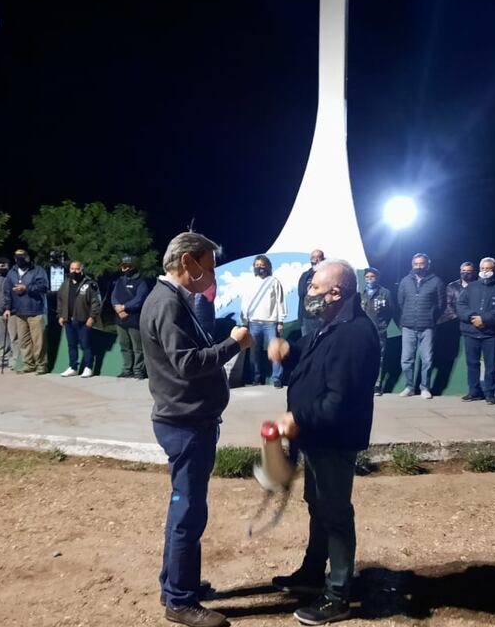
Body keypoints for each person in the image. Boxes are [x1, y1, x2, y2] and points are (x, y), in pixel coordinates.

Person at [139, 232, 252, 627]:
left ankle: (176, 584)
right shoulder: (167, 303)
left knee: (182, 510)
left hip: (188, 419)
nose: (211, 273)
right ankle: (180, 601)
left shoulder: (171, 301)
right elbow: (187, 363)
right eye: (208, 264)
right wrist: (233, 344)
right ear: (188, 262)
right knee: (188, 513)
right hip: (185, 423)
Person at [268, 259, 380, 625]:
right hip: (314, 439)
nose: (308, 294)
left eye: (314, 288)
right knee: (317, 505)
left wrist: (298, 418)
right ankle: (313, 573)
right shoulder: (329, 324)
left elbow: (340, 400)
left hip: (333, 440)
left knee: (335, 513)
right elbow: (315, 367)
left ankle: (338, 595)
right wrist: (289, 354)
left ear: (336, 292)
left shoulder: (354, 333)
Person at [456, 257, 495, 404]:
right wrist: (473, 318)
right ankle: (474, 392)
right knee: (472, 364)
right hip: (471, 331)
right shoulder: (470, 287)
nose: (485, 271)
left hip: (490, 334)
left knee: (490, 366)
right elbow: (461, 305)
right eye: (483, 269)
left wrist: (484, 320)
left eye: (489, 269)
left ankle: (490, 393)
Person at [396, 253, 445, 398]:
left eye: (421, 263)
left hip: (427, 326)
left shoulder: (437, 281)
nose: (419, 266)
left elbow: (441, 304)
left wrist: (431, 316)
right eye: (416, 264)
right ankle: (409, 386)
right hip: (408, 326)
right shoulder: (405, 281)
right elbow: (401, 302)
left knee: (427, 360)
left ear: (427, 264)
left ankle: (424, 388)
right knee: (406, 359)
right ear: (412, 265)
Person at [240, 254, 287, 388]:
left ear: (268, 266)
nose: (259, 267)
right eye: (257, 265)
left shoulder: (274, 282)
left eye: (262, 265)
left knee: (275, 351)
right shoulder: (249, 282)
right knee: (254, 354)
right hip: (254, 323)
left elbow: (280, 301)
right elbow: (245, 303)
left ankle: (276, 378)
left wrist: (280, 321)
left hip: (271, 323)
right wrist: (245, 321)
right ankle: (256, 378)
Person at [3, 249, 50, 375]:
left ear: (28, 257)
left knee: (38, 341)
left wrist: (27, 288)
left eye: (23, 257)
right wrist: (7, 308)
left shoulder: (38, 270)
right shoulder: (11, 273)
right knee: (24, 341)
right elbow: (7, 292)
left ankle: (41, 365)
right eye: (17, 257)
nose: (20, 260)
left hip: (35, 310)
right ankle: (28, 364)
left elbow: (44, 287)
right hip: (19, 312)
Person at [57, 260, 102, 378]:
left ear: (81, 269)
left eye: (77, 269)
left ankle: (88, 367)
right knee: (71, 345)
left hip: (83, 319)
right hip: (68, 320)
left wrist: (92, 317)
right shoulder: (65, 283)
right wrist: (61, 315)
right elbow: (60, 300)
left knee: (86, 345)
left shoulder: (90, 283)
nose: (74, 271)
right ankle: (73, 367)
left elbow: (96, 302)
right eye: (72, 269)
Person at [112, 255, 152, 379]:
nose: (124, 268)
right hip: (120, 319)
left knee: (138, 347)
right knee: (124, 345)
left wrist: (124, 307)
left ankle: (138, 370)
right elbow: (113, 297)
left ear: (133, 266)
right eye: (123, 265)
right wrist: (117, 308)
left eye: (127, 265)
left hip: (134, 318)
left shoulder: (141, 282)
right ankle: (127, 369)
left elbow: (139, 299)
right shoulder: (119, 281)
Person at [360, 267, 393, 395]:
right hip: (362, 333)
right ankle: (362, 383)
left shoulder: (385, 293)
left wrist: (383, 324)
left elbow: (390, 311)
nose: (369, 279)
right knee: (362, 358)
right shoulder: (360, 293)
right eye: (367, 277)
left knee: (378, 359)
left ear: (377, 278)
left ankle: (377, 385)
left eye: (372, 277)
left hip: (379, 331)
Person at [297, 249, 325, 339]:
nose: (316, 260)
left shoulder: (327, 274)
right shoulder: (305, 275)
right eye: (313, 258)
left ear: (323, 259)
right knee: (307, 345)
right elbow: (301, 293)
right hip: (307, 318)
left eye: (319, 258)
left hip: (323, 316)